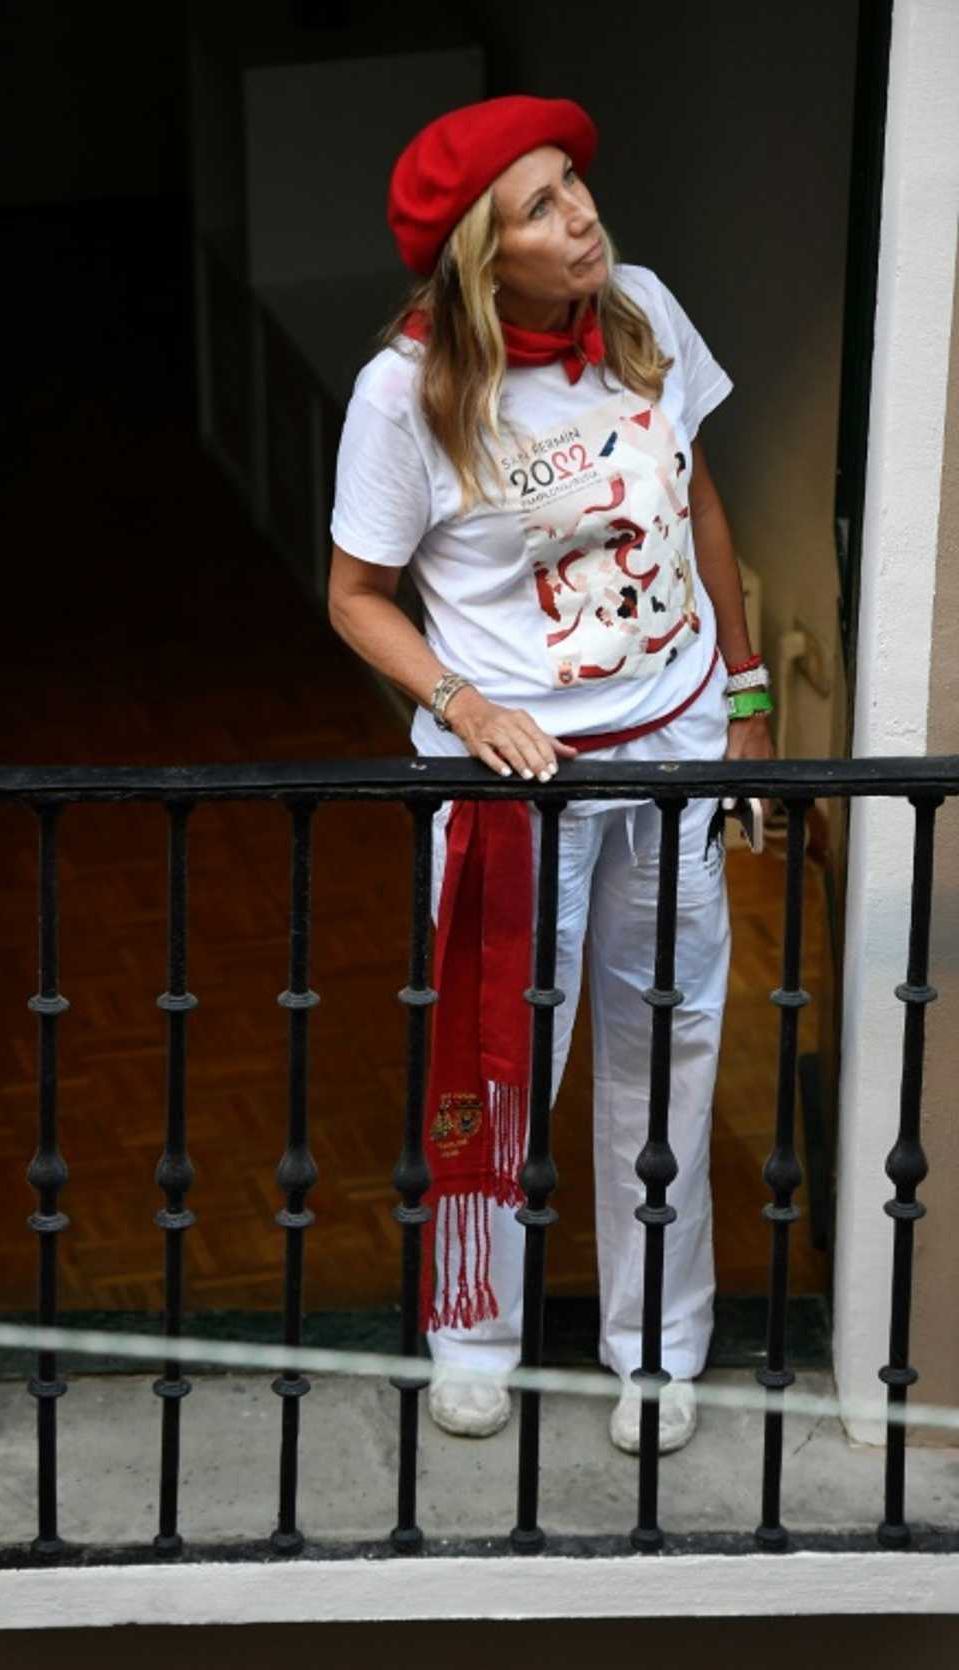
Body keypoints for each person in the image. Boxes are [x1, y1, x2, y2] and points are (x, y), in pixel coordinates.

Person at [327, 95, 773, 1455]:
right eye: (537, 207)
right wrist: (462, 704)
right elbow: (357, 596)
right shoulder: (406, 393)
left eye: (571, 182)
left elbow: (693, 492)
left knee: (673, 1042)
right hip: (518, 777)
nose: (579, 215)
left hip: (679, 742)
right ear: (480, 254)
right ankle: (475, 1332)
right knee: (499, 1051)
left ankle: (656, 1350)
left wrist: (747, 696)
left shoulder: (640, 309)